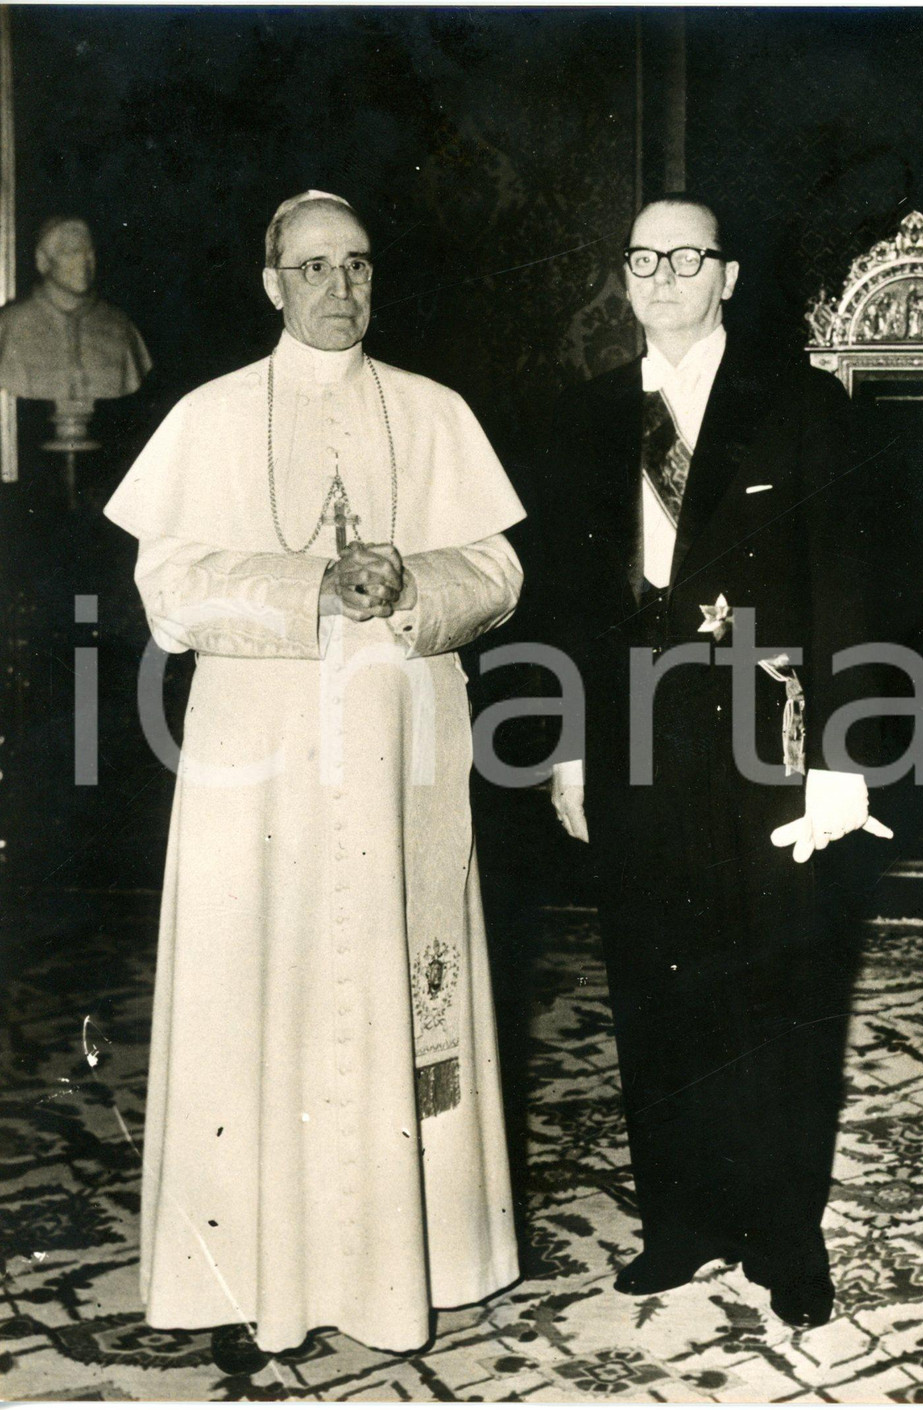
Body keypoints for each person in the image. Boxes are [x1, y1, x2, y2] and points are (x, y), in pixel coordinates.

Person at [104, 191, 522, 1371]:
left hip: (404, 753)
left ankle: (420, 1263)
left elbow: (498, 569)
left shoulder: (433, 411)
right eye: (316, 267)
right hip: (259, 759)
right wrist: (312, 592)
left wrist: (412, 583)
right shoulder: (210, 415)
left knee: (405, 978)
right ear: (271, 282)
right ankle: (253, 1267)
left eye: (359, 266)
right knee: (263, 987)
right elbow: (171, 589)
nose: (342, 288)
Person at [540, 196, 894, 1329]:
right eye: (641, 256)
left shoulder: (799, 408)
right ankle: (680, 1222)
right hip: (634, 739)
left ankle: (783, 1235)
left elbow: (850, 586)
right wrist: (567, 750)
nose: (660, 275)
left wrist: (843, 758)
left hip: (768, 739)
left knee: (781, 990)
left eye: (684, 256)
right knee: (655, 988)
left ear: (727, 274)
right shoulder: (593, 416)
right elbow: (570, 605)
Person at [0, 216, 151, 401]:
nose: (84, 261)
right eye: (71, 252)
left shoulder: (120, 327)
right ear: (43, 260)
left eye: (89, 252)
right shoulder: (9, 325)